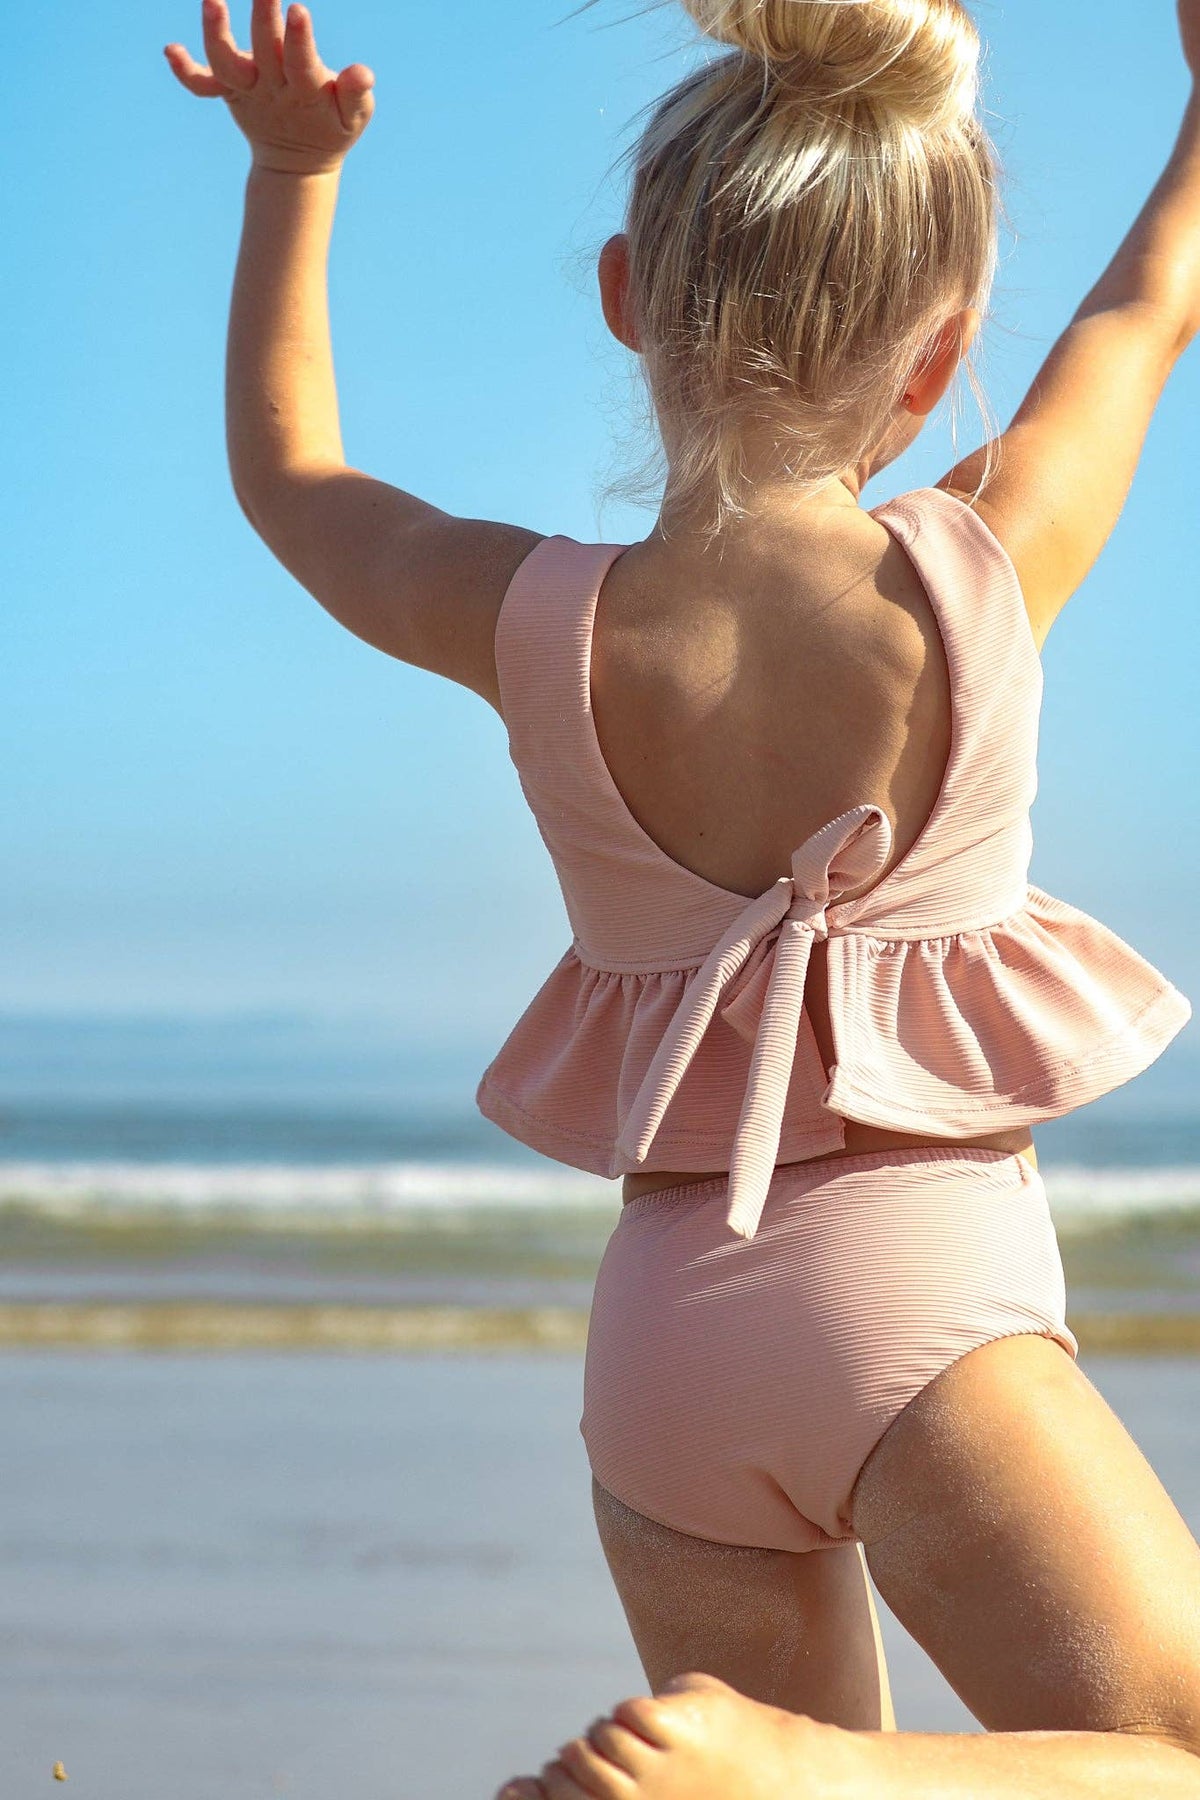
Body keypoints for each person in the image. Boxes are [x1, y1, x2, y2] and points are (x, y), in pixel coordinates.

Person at [164, 1, 1200, 1793]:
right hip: (913, 1297)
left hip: (660, 1341)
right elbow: (1144, 310)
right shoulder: (982, 565)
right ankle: (818, 1769)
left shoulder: (539, 621)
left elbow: (295, 479)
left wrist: (290, 178)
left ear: (629, 293)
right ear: (940, 358)